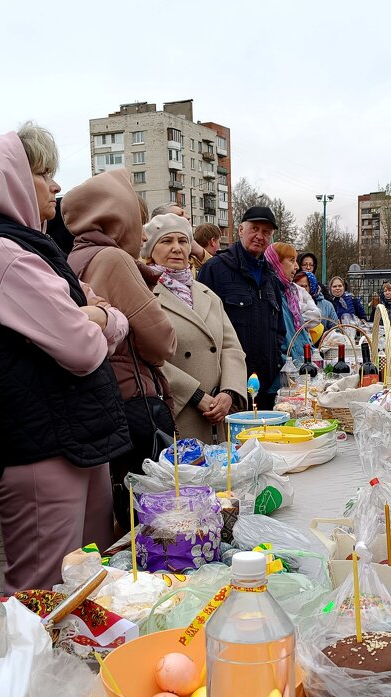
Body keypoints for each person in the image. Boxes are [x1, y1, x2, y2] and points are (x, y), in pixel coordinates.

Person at [0, 124, 130, 592]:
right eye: (44, 174)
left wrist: (98, 318)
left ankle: (81, 666)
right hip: (41, 448)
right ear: (11, 183)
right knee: (46, 594)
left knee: (87, 584)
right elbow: (84, 350)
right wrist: (101, 319)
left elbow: (109, 324)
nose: (56, 186)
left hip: (67, 438)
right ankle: (40, 668)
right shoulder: (1, 254)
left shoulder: (24, 246)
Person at [63, 169, 177, 479]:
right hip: (133, 401)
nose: (142, 235)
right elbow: (163, 341)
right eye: (138, 223)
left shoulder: (72, 259)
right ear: (118, 218)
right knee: (151, 508)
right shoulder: (115, 259)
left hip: (98, 402)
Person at [142, 213, 247, 443]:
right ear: (150, 250)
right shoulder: (144, 294)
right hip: (179, 411)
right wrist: (196, 395)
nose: (177, 248)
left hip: (217, 413)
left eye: (183, 241)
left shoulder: (207, 294)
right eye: (166, 241)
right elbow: (148, 358)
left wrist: (228, 393)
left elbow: (231, 348)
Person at [197, 205, 285, 409]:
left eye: (266, 232)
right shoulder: (215, 269)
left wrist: (274, 361)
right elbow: (202, 328)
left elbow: (279, 328)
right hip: (228, 388)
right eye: (254, 229)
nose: (259, 236)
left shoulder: (271, 277)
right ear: (241, 230)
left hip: (265, 388)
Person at [266, 242, 323, 353]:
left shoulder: (290, 293)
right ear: (276, 262)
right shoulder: (273, 296)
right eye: (292, 260)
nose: (297, 267)